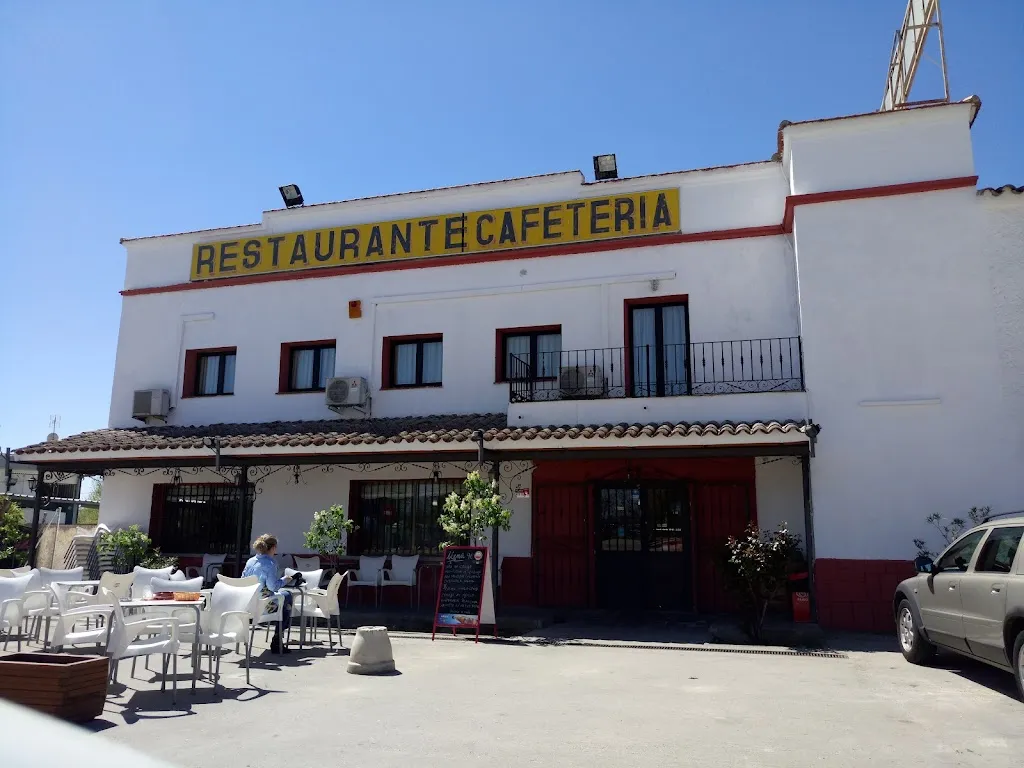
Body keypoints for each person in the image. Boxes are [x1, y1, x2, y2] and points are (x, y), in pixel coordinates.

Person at [241, 534, 298, 654]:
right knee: (287, 597)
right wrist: (285, 580)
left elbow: (243, 581)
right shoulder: (270, 564)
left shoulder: (250, 561)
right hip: (263, 606)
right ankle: (277, 638)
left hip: (247, 604)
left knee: (284, 598)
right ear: (272, 548)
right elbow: (273, 586)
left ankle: (278, 638)